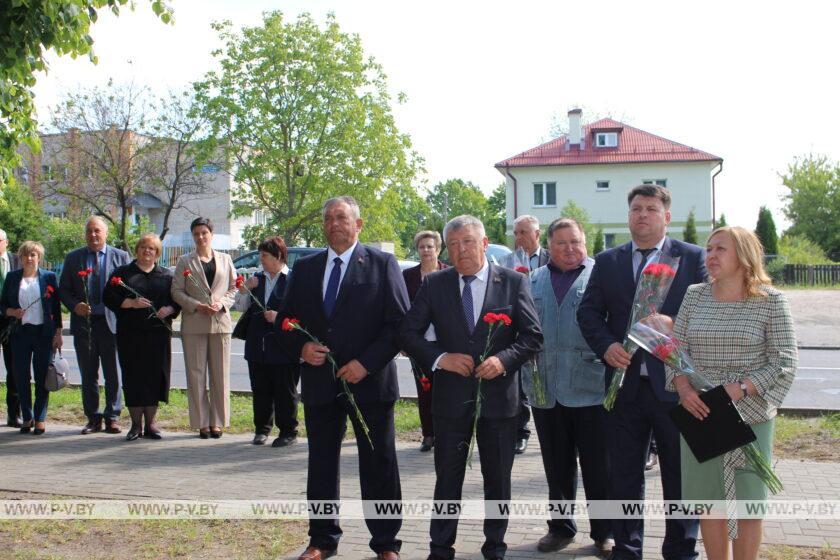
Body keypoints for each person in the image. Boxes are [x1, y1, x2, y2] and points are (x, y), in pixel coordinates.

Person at [399, 215, 542, 560]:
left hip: (498, 402)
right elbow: (407, 333)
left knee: (498, 481)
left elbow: (533, 337)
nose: (461, 250)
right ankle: (440, 547)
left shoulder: (512, 282)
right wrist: (440, 358)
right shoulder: (435, 284)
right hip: (450, 401)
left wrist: (503, 360)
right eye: (454, 244)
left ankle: (495, 546)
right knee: (447, 479)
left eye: (467, 242)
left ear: (484, 242)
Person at [577, 184, 707, 560]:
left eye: (651, 209)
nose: (642, 215)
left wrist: (674, 323)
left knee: (680, 476)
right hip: (625, 387)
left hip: (676, 386)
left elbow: (706, 314)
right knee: (624, 475)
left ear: (666, 216)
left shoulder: (692, 257)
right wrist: (606, 346)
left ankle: (681, 549)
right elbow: (588, 312)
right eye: (636, 208)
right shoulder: (609, 261)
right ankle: (628, 548)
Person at [277, 196, 409, 560]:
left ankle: (386, 543)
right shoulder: (305, 268)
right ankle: (322, 539)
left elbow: (399, 324)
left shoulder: (382, 264)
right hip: (321, 384)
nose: (334, 223)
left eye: (341, 217)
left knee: (378, 462)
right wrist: (301, 348)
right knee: (320, 463)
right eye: (328, 218)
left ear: (358, 224)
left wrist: (366, 364)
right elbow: (285, 322)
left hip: (370, 382)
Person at [666, 226, 796, 560]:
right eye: (708, 249)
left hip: (749, 415)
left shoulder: (771, 301)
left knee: (748, 503)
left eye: (720, 249)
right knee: (710, 502)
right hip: (701, 412)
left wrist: (740, 389)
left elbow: (784, 361)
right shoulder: (695, 295)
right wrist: (683, 390)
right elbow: (675, 350)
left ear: (744, 255)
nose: (710, 256)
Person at [523, 218, 613, 556]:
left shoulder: (601, 278)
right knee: (556, 465)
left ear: (585, 242)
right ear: (548, 245)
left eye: (575, 241)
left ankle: (605, 531)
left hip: (590, 387)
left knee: (598, 465)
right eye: (561, 243)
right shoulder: (533, 281)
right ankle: (560, 528)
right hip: (545, 387)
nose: (569, 248)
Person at [103, 233, 179, 441]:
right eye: (144, 247)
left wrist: (170, 308)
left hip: (158, 336)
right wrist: (130, 303)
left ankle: (151, 423)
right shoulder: (123, 274)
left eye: (152, 249)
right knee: (134, 377)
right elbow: (108, 297)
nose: (147, 251)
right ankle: (135, 424)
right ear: (137, 250)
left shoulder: (166, 276)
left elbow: (177, 300)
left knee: (155, 377)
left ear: (157, 254)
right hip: (131, 335)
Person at [59, 216, 130, 435]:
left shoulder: (121, 257)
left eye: (97, 231)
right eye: (89, 231)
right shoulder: (74, 258)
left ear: (106, 233)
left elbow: (127, 288)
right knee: (88, 373)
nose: (93, 235)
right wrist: (74, 305)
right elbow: (63, 290)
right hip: (84, 325)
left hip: (111, 324)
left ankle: (113, 416)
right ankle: (93, 418)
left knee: (113, 373)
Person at [171, 217, 237, 439]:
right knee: (196, 375)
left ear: (211, 234)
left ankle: (217, 421)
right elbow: (177, 291)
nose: (200, 237)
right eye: (196, 234)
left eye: (204, 233)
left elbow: (233, 288)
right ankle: (202, 422)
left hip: (220, 324)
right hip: (195, 323)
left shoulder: (226, 259)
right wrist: (196, 306)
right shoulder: (184, 261)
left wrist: (222, 304)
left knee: (220, 375)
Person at [232, 236, 299, 447]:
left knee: (285, 391)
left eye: (265, 255)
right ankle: (261, 429)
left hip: (284, 346)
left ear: (278, 256)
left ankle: (288, 431)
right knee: (260, 388)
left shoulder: (294, 279)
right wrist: (245, 290)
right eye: (260, 255)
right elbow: (241, 307)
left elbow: (302, 312)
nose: (261, 259)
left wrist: (278, 316)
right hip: (257, 344)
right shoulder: (256, 278)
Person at [0, 241, 63, 435]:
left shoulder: (49, 277)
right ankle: (27, 417)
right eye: (26, 255)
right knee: (21, 376)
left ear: (39, 258)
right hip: (20, 334)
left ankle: (40, 417)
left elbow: (55, 308)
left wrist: (58, 333)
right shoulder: (12, 278)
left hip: (43, 333)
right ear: (20, 257)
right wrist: (11, 311)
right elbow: (2, 306)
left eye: (33, 255)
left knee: (43, 375)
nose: (29, 258)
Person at [502, 214, 549, 454]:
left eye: (524, 232)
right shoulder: (506, 261)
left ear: (537, 234)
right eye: (516, 233)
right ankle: (521, 432)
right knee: (519, 384)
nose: (519, 238)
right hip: (518, 333)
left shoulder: (552, 259)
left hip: (547, 330)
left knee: (545, 381)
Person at [401, 230, 447, 452]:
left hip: (446, 343)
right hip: (419, 344)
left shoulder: (449, 273)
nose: (426, 250)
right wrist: (404, 342)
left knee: (446, 391)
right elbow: (400, 309)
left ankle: (445, 433)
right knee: (424, 390)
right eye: (422, 246)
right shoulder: (407, 276)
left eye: (430, 246)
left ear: (438, 249)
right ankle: (428, 434)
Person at [0, 229, 22, 427]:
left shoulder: (17, 260)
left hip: (12, 322)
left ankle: (14, 414)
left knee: (14, 368)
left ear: (6, 242)